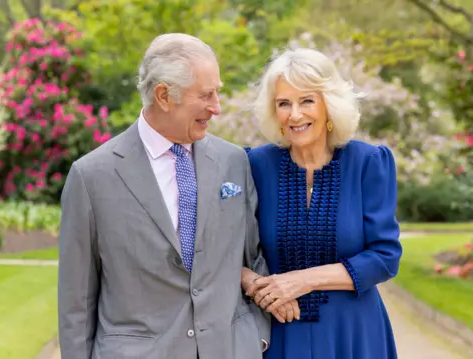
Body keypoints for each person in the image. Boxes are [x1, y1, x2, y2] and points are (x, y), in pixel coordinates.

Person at [57, 33, 272, 359]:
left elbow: (253, 257)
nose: (217, 107)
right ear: (163, 96)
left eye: (218, 92)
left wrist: (255, 338)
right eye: (206, 95)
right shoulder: (91, 177)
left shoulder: (234, 162)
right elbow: (76, 301)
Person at [242, 47, 403, 359]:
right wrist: (259, 287)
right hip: (280, 332)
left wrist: (300, 281)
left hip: (355, 335)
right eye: (284, 103)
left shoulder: (369, 162)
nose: (295, 114)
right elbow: (225, 249)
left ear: (329, 105)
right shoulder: (253, 166)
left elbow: (385, 257)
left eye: (307, 101)